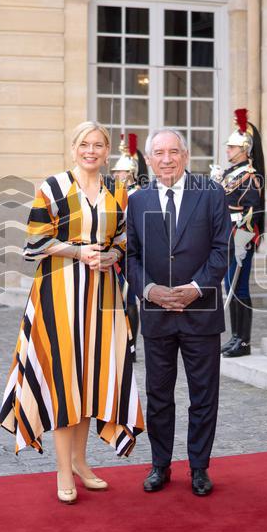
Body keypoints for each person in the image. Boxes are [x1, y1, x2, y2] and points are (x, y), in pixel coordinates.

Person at [0, 122, 144, 505]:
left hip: (104, 294)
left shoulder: (118, 190)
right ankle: (63, 470)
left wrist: (111, 254)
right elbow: (35, 239)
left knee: (92, 378)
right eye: (84, 144)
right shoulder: (54, 187)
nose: (91, 150)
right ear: (73, 147)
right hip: (59, 291)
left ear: (107, 150)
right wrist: (79, 251)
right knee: (65, 378)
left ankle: (80, 462)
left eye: (98, 145)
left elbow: (126, 240)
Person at [126, 129, 231, 497]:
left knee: (203, 395)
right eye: (159, 153)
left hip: (201, 311)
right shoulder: (137, 201)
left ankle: (199, 468)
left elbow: (222, 250)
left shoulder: (211, 193)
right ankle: (160, 465)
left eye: (173, 152)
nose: (166, 159)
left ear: (185, 156)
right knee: (159, 395)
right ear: (150, 159)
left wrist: (196, 289)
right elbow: (132, 256)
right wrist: (150, 289)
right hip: (156, 314)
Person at [217, 109, 264, 357]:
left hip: (239, 235)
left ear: (244, 149)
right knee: (230, 286)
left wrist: (243, 241)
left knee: (240, 287)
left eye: (232, 147)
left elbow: (251, 212)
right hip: (226, 232)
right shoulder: (230, 173)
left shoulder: (250, 175)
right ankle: (235, 336)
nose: (228, 150)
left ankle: (243, 341)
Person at [111, 133, 146, 362]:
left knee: (130, 297)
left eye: (120, 171)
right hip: (116, 250)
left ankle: (132, 345)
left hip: (132, 251)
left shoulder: (138, 195)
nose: (116, 174)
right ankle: (121, 340)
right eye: (115, 171)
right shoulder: (114, 193)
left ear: (131, 172)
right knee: (118, 299)